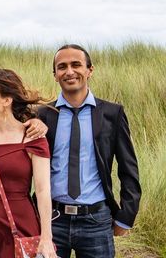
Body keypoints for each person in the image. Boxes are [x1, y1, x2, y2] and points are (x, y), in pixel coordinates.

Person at [37, 45, 141, 258]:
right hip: (52, 220)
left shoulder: (112, 113)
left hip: (96, 219)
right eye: (62, 67)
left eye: (76, 65)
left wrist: (125, 216)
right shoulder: (43, 114)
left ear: (89, 70)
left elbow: (128, 168)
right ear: (55, 75)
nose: (69, 71)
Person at [0, 68, 56, 258]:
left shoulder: (33, 136)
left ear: (7, 100)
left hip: (20, 220)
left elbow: (43, 190)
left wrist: (46, 238)